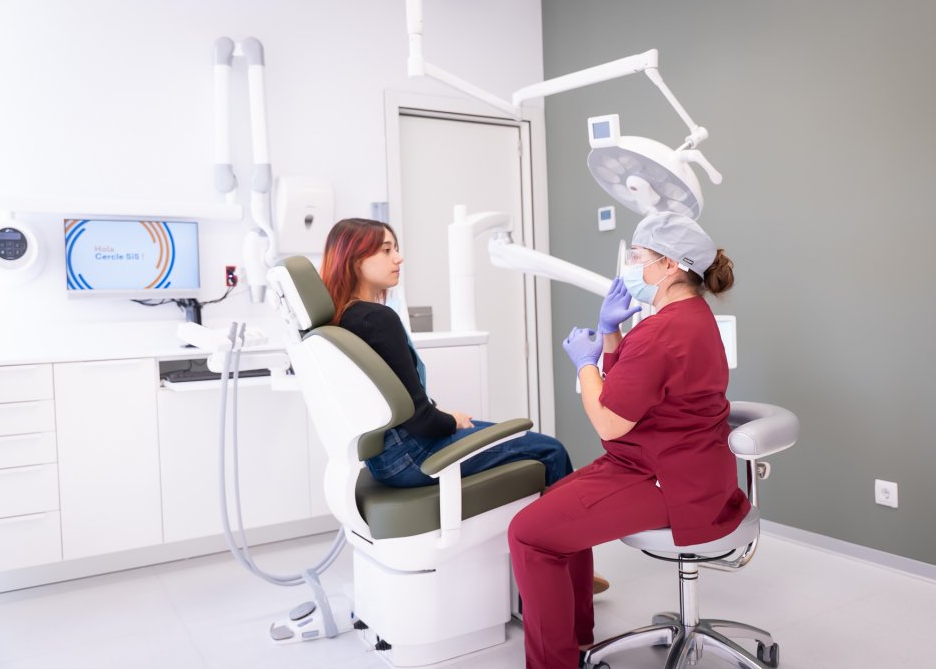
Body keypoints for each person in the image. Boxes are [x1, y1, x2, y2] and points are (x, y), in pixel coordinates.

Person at [508, 212, 750, 669]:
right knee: (553, 506)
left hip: (667, 480)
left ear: (670, 265)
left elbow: (608, 421)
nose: (630, 265)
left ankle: (556, 660)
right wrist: (610, 333)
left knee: (529, 535)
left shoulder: (662, 331)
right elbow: (633, 390)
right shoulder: (689, 317)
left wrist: (585, 362)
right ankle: (576, 640)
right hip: (672, 465)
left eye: (638, 256)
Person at [318, 217, 575, 490]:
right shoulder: (377, 319)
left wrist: (444, 417)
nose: (398, 258)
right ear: (355, 259)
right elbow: (420, 421)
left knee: (503, 433)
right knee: (551, 450)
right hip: (413, 455)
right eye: (386, 250)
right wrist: (452, 421)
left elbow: (405, 408)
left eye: (396, 248)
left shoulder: (346, 318)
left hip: (385, 458)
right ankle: (566, 518)